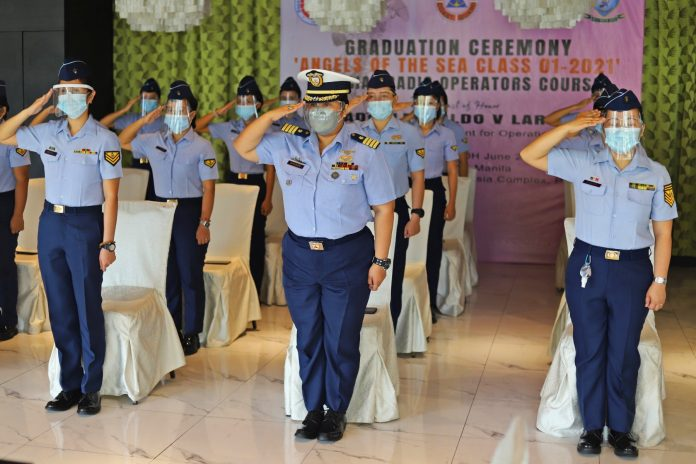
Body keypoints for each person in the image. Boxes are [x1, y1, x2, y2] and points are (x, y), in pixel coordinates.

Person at [233, 69, 395, 442]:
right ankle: (313, 409)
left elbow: (385, 209)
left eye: (327, 106)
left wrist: (380, 260)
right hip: (301, 255)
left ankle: (336, 410)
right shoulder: (288, 143)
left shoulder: (364, 149)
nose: (319, 112)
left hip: (347, 254)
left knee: (339, 337)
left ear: (342, 109)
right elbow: (243, 147)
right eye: (314, 105)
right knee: (308, 335)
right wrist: (275, 114)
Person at [520, 89, 677, 458]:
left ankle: (620, 430)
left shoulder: (656, 174)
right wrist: (572, 126)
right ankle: (592, 428)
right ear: (603, 128)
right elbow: (530, 154)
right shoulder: (584, 161)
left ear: (642, 126)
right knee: (589, 349)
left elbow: (664, 232)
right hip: (587, 266)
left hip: (634, 269)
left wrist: (660, 280)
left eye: (631, 121)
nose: (624, 128)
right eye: (615, 122)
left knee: (623, 352)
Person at [0, 59, 122, 415]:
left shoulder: (105, 139)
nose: (70, 97)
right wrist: (35, 108)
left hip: (86, 226)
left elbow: (112, 195)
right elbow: (3, 133)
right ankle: (69, 385)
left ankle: (91, 387)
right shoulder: (47, 132)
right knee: (60, 309)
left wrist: (108, 242)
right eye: (64, 91)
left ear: (90, 95)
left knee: (87, 307)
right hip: (50, 225)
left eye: (77, 91)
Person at [119, 80, 218, 356]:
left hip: (189, 212)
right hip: (160, 212)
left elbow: (209, 188)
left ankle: (192, 332)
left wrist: (204, 223)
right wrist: (146, 120)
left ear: (192, 114)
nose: (174, 114)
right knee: (168, 274)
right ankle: (173, 327)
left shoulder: (202, 147)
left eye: (181, 109)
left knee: (190, 274)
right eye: (171, 108)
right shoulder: (152, 141)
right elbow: (122, 141)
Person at [359, 70, 425, 329]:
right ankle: (359, 327)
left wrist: (417, 213)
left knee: (392, 270)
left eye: (383, 96)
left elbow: (418, 176)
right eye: (372, 97)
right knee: (359, 269)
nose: (378, 101)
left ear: (395, 99)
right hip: (360, 210)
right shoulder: (354, 132)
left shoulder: (410, 133)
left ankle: (391, 329)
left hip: (396, 209)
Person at [196, 76, 273, 294]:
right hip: (232, 183)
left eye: (247, 101)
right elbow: (198, 127)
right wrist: (223, 109)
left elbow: (270, 168)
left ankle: (255, 291)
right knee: (231, 235)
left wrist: (268, 198)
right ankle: (235, 291)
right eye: (239, 101)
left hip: (257, 184)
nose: (243, 105)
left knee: (255, 238)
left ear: (258, 104)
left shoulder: (264, 128)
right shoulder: (230, 126)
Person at [412, 79, 459, 323]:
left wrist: (451, 203)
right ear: (413, 105)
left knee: (431, 249)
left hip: (433, 189)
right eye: (421, 103)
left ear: (439, 106)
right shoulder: (404, 130)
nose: (426, 107)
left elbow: (452, 169)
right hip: (407, 190)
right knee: (406, 247)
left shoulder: (447, 134)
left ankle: (427, 304)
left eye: (431, 103)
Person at [100, 77, 164, 201]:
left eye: (152, 98)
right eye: (145, 97)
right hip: (137, 165)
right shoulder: (132, 119)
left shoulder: (166, 121)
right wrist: (124, 110)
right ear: (140, 100)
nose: (149, 101)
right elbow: (102, 124)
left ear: (159, 100)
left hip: (158, 166)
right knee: (136, 203)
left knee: (156, 203)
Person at [0, 80, 30, 341]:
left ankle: (7, 320)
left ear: (2, 111)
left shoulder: (13, 139)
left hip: (4, 203)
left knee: (4, 264)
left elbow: (22, 179)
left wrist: (18, 214)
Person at [544, 73, 613, 127]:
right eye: (597, 96)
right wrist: (576, 106)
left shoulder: (619, 116)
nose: (601, 99)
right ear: (593, 98)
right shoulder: (585, 116)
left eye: (606, 95)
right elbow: (548, 120)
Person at [432, 80, 470, 177]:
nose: (437, 108)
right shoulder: (417, 127)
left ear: (446, 107)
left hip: (447, 178)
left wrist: (462, 189)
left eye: (440, 104)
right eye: (432, 103)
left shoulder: (455, 130)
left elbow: (463, 162)